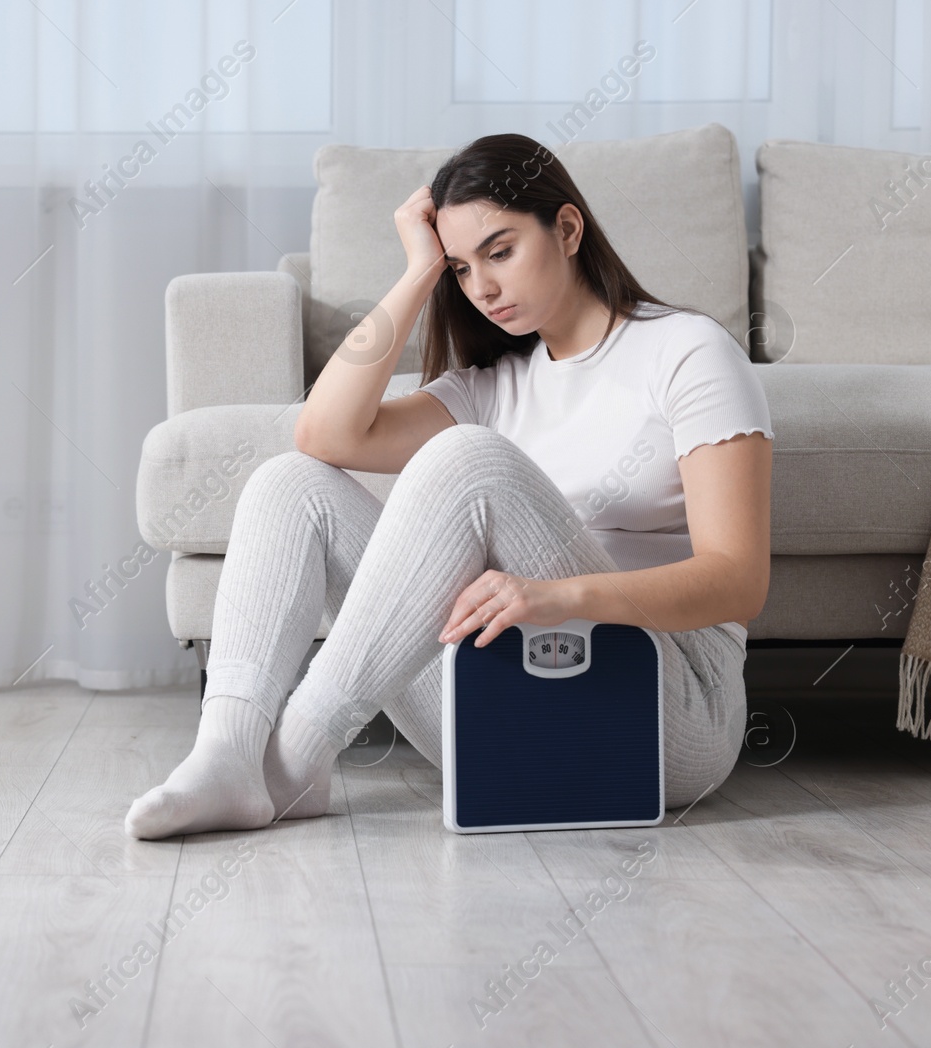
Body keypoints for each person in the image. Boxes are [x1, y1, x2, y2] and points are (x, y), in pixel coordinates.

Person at [125, 133, 774, 841]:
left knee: (469, 458)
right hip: (510, 691)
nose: (484, 287)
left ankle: (293, 756)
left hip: (665, 704)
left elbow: (737, 581)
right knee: (291, 481)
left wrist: (557, 596)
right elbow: (324, 433)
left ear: (566, 228)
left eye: (500, 251)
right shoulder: (494, 385)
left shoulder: (687, 351)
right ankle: (227, 748)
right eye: (463, 269)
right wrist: (416, 272)